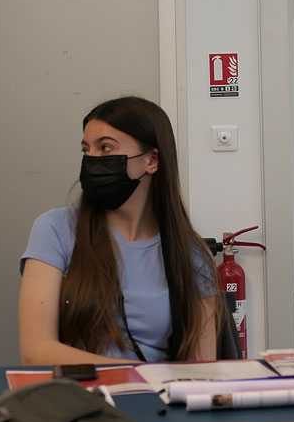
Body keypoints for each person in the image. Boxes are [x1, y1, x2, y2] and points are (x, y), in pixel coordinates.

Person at [17, 96, 219, 365]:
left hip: (157, 401)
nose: (92, 160)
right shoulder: (55, 228)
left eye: (106, 148)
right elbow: (36, 351)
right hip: (80, 398)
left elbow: (202, 367)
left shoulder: (189, 252)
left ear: (152, 160)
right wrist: (142, 373)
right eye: (86, 150)